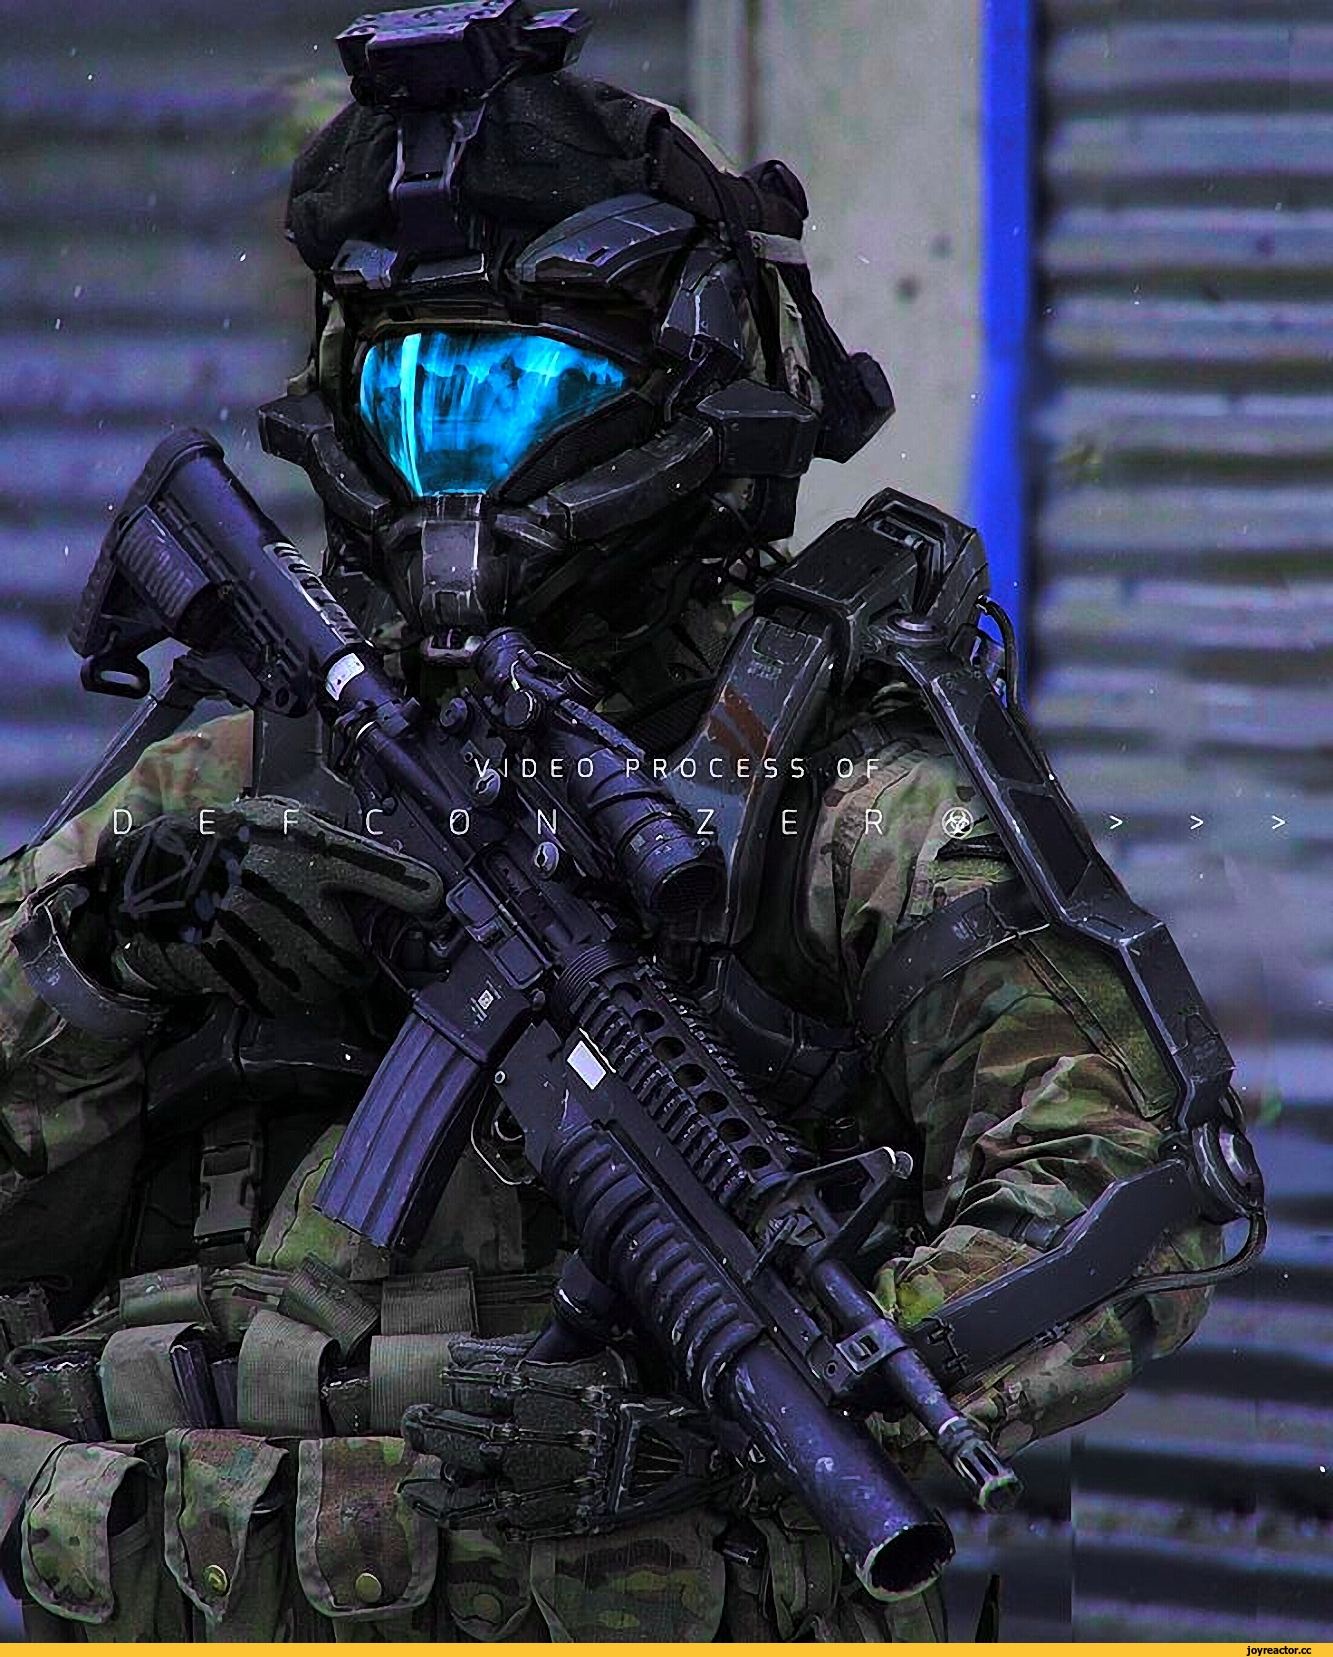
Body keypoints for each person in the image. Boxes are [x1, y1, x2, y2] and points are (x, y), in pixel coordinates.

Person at [0, 3, 1254, 1642]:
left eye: (513, 393)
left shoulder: (833, 795)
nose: (452, 467)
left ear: (679, 391)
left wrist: (741, 1413)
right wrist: (97, 966)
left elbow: (1127, 1190)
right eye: (413, 392)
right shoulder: (228, 773)